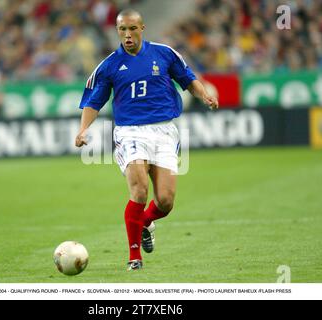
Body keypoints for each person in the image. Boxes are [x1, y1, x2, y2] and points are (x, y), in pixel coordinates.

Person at [75, 9, 218, 271]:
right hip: (129, 131)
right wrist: (83, 130)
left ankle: (145, 223)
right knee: (139, 190)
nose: (127, 35)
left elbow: (188, 80)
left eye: (131, 29)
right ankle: (134, 257)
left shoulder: (164, 54)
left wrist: (204, 95)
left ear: (142, 28)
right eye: (122, 30)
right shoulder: (109, 65)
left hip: (164, 131)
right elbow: (94, 101)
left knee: (165, 201)